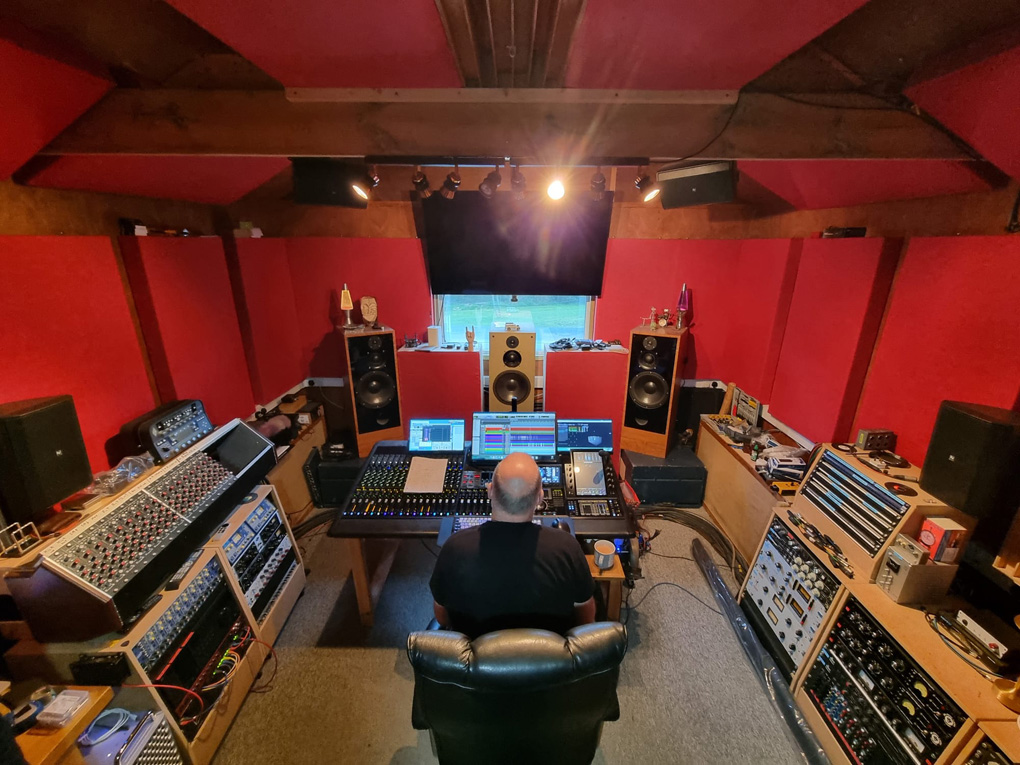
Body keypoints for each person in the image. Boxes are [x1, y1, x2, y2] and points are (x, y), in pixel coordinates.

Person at [430, 452, 596, 638]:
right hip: (549, 660)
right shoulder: (568, 548)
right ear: (540, 498)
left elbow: (442, 617)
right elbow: (585, 619)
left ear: (490, 491)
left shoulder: (454, 548)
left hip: (477, 660)